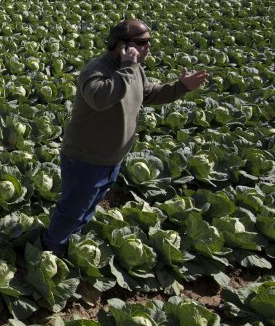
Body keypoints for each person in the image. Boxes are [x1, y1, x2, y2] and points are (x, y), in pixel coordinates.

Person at [41, 19, 208, 254]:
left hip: (111, 159)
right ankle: (52, 249)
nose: (148, 47)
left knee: (87, 207)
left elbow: (147, 94)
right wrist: (129, 66)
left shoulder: (134, 69)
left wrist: (181, 86)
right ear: (121, 46)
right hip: (86, 159)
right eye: (142, 43)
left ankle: (70, 240)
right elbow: (100, 99)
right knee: (72, 211)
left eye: (149, 42)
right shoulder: (96, 70)